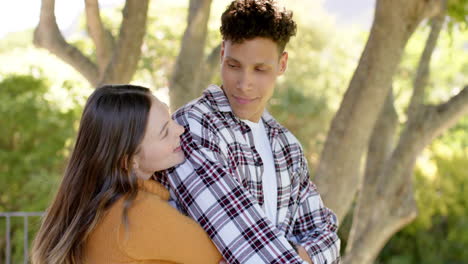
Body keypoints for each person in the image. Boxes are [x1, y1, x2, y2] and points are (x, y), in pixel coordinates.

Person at [154, 1, 341, 263]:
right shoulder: (192, 127)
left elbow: (326, 236)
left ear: (282, 64)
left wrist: (301, 254)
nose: (244, 84)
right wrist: (300, 254)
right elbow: (246, 246)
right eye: (233, 65)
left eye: (260, 70)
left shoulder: (288, 147)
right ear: (221, 54)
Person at [31, 85, 222, 264]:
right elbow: (227, 253)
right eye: (164, 132)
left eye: (170, 118)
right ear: (129, 161)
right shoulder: (137, 214)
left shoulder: (99, 206)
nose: (180, 130)